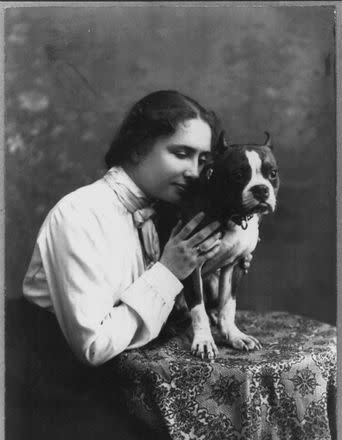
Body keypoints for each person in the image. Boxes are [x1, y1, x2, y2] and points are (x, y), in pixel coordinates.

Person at [22, 90, 225, 367]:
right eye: (181, 153)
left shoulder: (164, 211)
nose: (194, 172)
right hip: (55, 380)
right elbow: (93, 346)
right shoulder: (80, 214)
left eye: (202, 161)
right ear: (138, 148)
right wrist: (168, 271)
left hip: (132, 374)